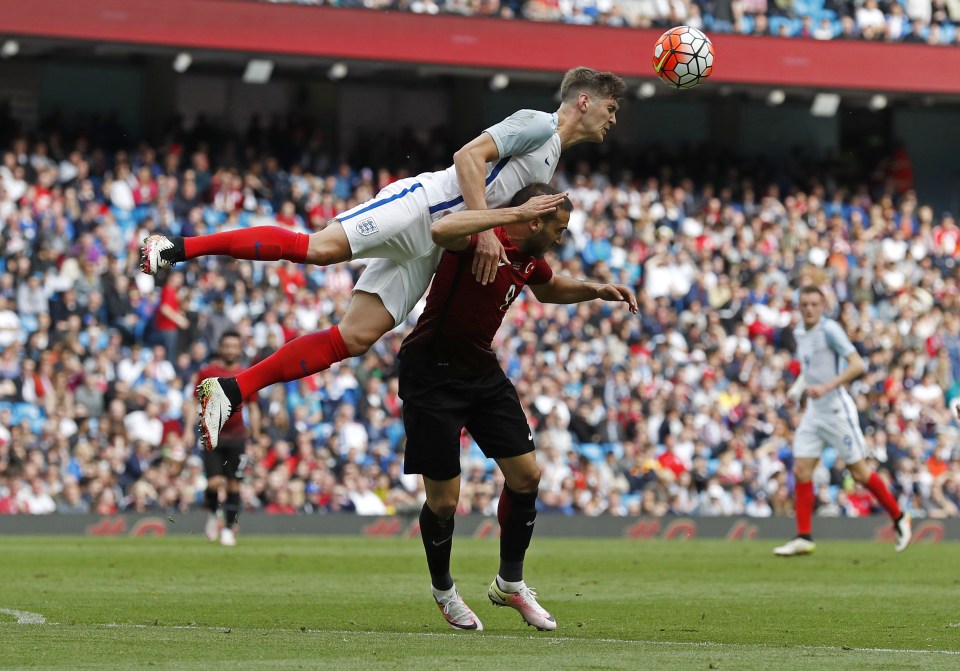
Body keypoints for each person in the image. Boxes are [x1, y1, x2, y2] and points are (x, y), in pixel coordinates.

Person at [138, 67, 626, 450]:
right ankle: (174, 248)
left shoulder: (551, 159)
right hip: (423, 206)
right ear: (583, 101)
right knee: (318, 248)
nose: (614, 118)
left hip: (435, 245)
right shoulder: (537, 125)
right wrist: (484, 231)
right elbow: (467, 157)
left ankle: (230, 391)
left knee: (355, 337)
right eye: (610, 106)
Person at [399, 183, 637, 631]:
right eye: (558, 229)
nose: (561, 238)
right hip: (431, 374)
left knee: (527, 476)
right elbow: (441, 228)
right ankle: (444, 591)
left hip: (482, 372)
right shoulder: (483, 238)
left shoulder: (528, 258)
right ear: (533, 220)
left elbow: (548, 289)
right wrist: (504, 216)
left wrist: (597, 289)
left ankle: (509, 584)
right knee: (445, 502)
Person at [773, 286, 911, 557]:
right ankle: (804, 536)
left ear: (823, 306)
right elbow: (809, 370)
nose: (809, 309)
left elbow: (858, 365)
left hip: (837, 410)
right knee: (802, 469)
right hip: (814, 411)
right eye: (805, 304)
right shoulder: (801, 333)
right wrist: (796, 391)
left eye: (814, 304)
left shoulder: (830, 330)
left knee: (859, 473)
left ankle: (899, 516)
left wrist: (827, 386)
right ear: (799, 307)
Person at [184, 330, 248, 546]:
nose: (230, 350)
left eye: (234, 346)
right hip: (212, 434)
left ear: (239, 349)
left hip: (238, 437)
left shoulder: (245, 373)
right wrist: (187, 430)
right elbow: (194, 401)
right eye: (227, 346)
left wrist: (256, 436)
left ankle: (229, 529)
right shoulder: (208, 373)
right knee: (213, 483)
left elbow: (254, 405)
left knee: (234, 485)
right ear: (221, 348)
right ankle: (212, 515)